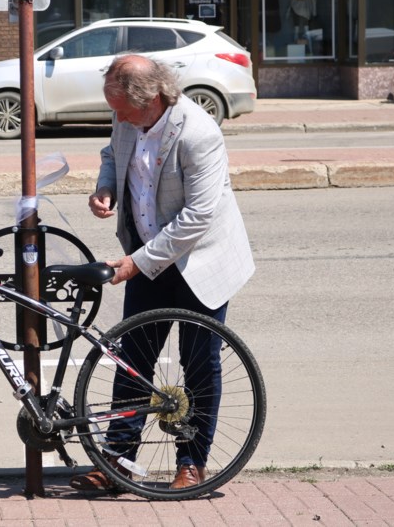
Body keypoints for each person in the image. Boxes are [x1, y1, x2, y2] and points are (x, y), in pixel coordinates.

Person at [70, 54, 254, 492]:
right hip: (148, 257)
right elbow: (111, 153)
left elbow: (198, 217)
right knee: (132, 359)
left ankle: (192, 463)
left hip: (199, 263)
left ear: (151, 98)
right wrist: (106, 186)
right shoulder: (126, 119)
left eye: (123, 109)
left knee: (199, 363)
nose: (117, 117)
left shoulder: (198, 133)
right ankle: (118, 462)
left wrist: (137, 262)